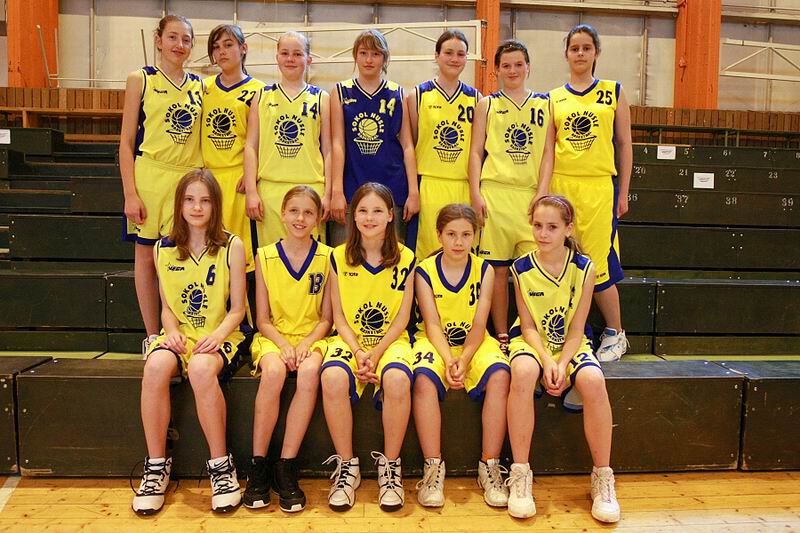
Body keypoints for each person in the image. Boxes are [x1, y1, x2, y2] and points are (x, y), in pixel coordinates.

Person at [132, 169, 246, 515]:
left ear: (215, 205)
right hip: (181, 335)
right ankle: (156, 467)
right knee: (155, 367)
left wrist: (217, 335)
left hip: (221, 333)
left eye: (205, 200)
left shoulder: (231, 245)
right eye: (190, 200)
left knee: (199, 369)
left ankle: (221, 468)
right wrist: (170, 331)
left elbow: (238, 310)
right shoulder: (162, 248)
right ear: (179, 204)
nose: (197, 207)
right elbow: (167, 309)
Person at [505, 195, 619, 523]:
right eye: (538, 226)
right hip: (533, 341)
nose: (543, 233)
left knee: (593, 380)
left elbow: (577, 328)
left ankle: (602, 477)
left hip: (571, 342)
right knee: (523, 371)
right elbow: (527, 326)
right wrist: (546, 360)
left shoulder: (585, 268)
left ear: (568, 229)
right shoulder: (521, 267)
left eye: (552, 227)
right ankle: (521, 474)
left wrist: (562, 363)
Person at [538, 24, 632, 361]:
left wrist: (624, 192)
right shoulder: (553, 98)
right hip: (563, 186)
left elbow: (624, 144)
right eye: (574, 48)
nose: (580, 53)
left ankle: (616, 333)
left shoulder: (613, 91)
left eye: (586, 48)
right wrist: (543, 193)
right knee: (562, 260)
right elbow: (548, 150)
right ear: (566, 54)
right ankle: (567, 333)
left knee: (597, 261)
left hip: (598, 187)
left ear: (596, 53)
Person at [320, 182, 416, 512]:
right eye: (362, 210)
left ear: (390, 215)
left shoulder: (406, 257)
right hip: (350, 340)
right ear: (353, 215)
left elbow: (402, 318)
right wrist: (360, 352)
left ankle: (390, 468)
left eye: (377, 210)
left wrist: (376, 353)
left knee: (397, 379)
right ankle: (347, 466)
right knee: (332, 377)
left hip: (390, 341)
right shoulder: (337, 256)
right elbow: (339, 317)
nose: (369, 217)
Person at [412, 204, 510, 509]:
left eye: (466, 234)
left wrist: (464, 359)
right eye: (451, 234)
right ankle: (433, 468)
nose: (458, 241)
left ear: (475, 236)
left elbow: (480, 324)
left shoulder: (485, 269)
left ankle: (489, 466)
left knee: (501, 374)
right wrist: (448, 358)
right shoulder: (424, 271)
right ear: (438, 235)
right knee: (423, 379)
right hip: (435, 342)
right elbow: (432, 324)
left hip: (474, 342)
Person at [244, 186, 333, 512]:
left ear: (318, 218)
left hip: (313, 336)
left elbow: (327, 318)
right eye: (294, 210)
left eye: (308, 212)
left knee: (309, 373)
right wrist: (283, 345)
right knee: (273, 371)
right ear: (282, 214)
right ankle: (258, 466)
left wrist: (306, 344)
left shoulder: (328, 257)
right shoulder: (265, 256)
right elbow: (262, 319)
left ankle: (286, 466)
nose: (300, 218)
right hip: (274, 336)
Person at [120, 15, 204, 355]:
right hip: (150, 175)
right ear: (158, 40)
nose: (179, 45)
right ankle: (152, 336)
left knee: (178, 259)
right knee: (145, 258)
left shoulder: (201, 85)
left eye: (186, 39)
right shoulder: (140, 79)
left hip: (186, 179)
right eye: (172, 37)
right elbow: (126, 142)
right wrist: (130, 193)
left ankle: (180, 333)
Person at [468, 39, 549, 354]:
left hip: (530, 197)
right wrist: (475, 192)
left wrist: (542, 194)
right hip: (495, 194)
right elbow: (476, 152)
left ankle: (535, 332)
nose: (512, 70)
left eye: (518, 64)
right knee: (497, 271)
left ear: (528, 67)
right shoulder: (487, 105)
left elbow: (548, 154)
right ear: (497, 71)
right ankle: (501, 334)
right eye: (506, 65)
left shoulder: (544, 104)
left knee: (535, 270)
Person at [329, 29, 419, 246]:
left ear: (385, 58)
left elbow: (407, 145)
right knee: (345, 256)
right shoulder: (340, 92)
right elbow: (337, 144)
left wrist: (414, 192)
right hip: (351, 188)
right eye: (363, 53)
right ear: (355, 56)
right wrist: (336, 191)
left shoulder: (398, 93)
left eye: (376, 54)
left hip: (392, 189)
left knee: (391, 256)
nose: (369, 60)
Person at [244, 31, 331, 246]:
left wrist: (328, 193)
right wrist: (251, 191)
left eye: (297, 54)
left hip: (311, 187)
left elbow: (328, 150)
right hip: (270, 190)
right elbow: (251, 146)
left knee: (310, 259)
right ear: (277, 57)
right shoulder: (261, 96)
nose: (290, 59)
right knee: (271, 258)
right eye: (285, 53)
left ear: (308, 60)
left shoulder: (322, 98)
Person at [407, 30, 480, 261]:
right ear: (436, 55)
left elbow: (478, 150)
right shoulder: (417, 95)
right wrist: (413, 190)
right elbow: (411, 144)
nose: (454, 59)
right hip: (429, 185)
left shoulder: (476, 99)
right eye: (448, 52)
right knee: (426, 257)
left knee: (461, 255)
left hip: (462, 185)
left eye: (460, 54)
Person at [201, 24, 264, 273]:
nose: (222, 52)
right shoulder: (203, 88)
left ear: (243, 48)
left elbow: (261, 141)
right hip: (209, 179)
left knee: (241, 258)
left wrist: (251, 175)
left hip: (239, 181)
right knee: (210, 255)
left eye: (228, 45)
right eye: (216, 47)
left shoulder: (259, 90)